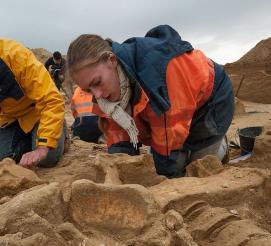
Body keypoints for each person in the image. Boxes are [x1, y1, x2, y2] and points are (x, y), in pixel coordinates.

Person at [67, 25, 234, 177]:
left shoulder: (158, 73)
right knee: (172, 162)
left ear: (112, 60)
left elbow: (169, 139)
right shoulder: (106, 89)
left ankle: (220, 147)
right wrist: (124, 164)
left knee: (197, 167)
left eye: (97, 83)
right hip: (171, 111)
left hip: (210, 103)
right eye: (88, 89)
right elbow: (117, 132)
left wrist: (165, 177)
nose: (97, 95)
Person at [0, 38, 66, 168]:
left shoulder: (14, 54)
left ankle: (60, 128)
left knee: (47, 158)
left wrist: (42, 148)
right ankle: (29, 140)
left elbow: (51, 100)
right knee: (5, 157)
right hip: (8, 120)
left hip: (38, 113)